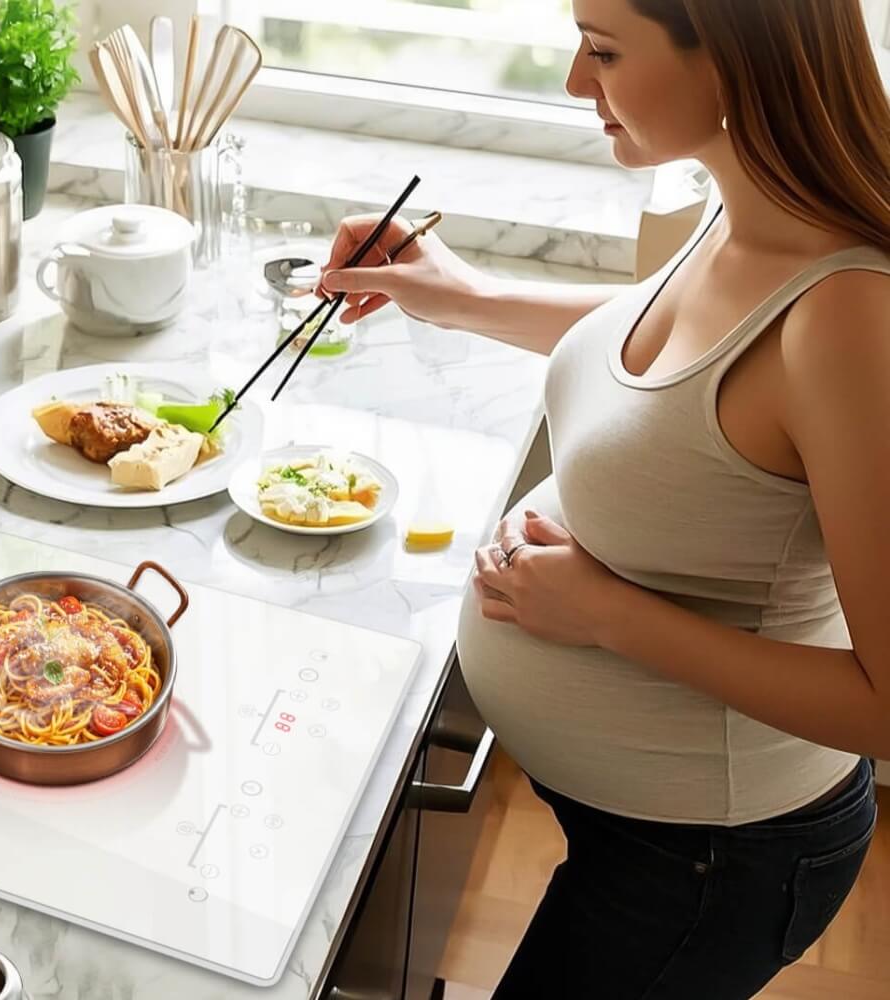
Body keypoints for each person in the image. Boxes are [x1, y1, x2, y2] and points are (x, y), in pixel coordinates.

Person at [320, 1, 889, 996]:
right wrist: (449, 291)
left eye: (603, 51)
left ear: (735, 61)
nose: (575, 84)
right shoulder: (746, 202)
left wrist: (605, 614)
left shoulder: (848, 317)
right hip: (645, 829)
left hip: (715, 859)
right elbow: (672, 360)